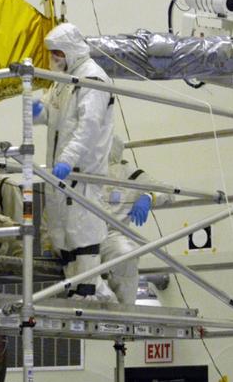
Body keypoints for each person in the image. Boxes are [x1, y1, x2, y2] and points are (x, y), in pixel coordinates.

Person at [34, 22, 115, 300]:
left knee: (83, 230)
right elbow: (51, 112)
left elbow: (88, 126)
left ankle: (88, 290)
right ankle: (73, 288)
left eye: (56, 53)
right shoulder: (63, 80)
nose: (53, 59)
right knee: (62, 233)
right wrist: (37, 109)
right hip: (60, 172)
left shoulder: (92, 78)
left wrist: (68, 159)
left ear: (68, 50)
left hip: (81, 171)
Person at [100, 135, 167, 304]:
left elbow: (166, 191)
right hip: (80, 236)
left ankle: (124, 311)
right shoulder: (79, 169)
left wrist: (149, 197)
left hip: (111, 235)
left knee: (126, 255)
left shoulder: (131, 174)